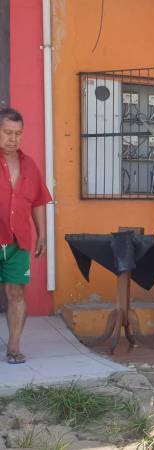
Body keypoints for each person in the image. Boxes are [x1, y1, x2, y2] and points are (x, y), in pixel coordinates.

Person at [0, 108, 51, 364]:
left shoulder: (29, 165)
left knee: (16, 292)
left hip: (18, 240)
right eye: (8, 133)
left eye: (18, 133)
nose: (13, 138)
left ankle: (14, 347)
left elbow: (38, 201)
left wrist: (42, 234)